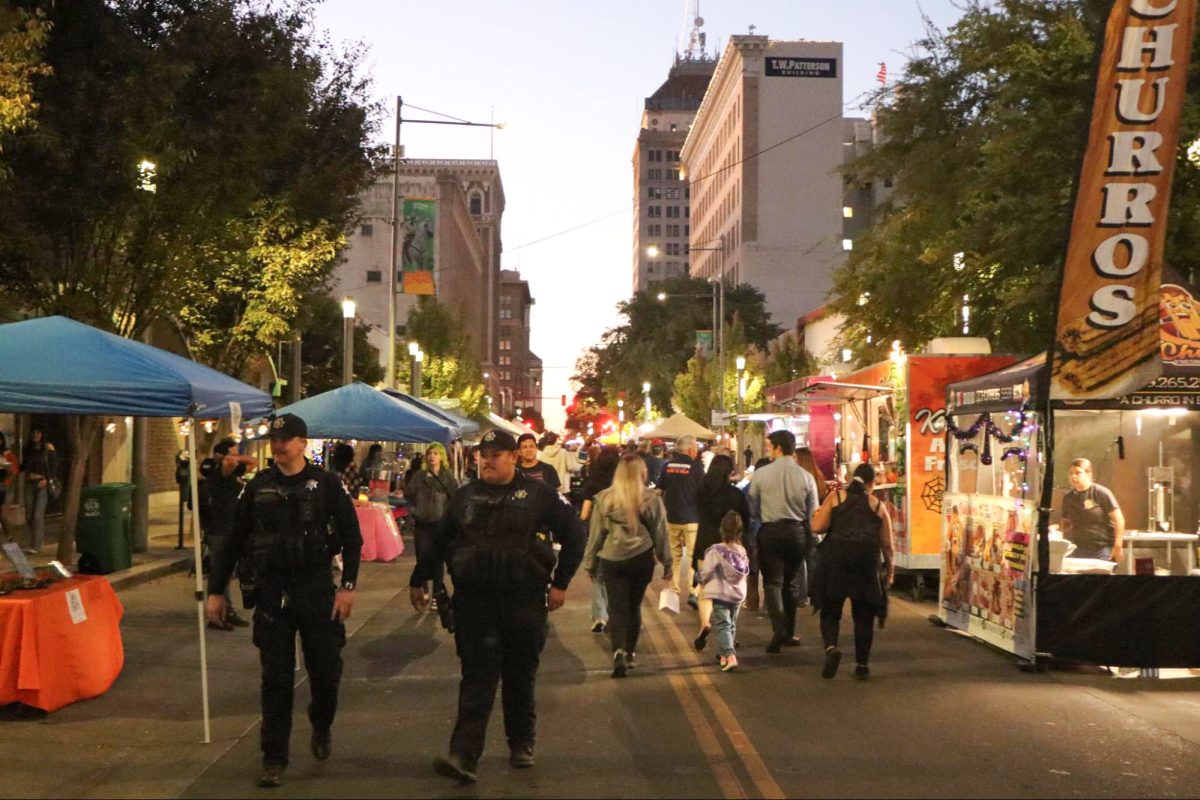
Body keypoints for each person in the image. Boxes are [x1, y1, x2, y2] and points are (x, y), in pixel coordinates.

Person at [410, 429, 585, 784]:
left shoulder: (540, 495)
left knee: (520, 675)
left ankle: (521, 743)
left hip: (522, 600)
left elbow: (575, 535)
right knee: (477, 677)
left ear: (514, 458)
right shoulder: (465, 497)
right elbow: (439, 540)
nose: (487, 460)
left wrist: (561, 583)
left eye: (495, 454)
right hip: (475, 603)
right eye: (483, 455)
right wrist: (419, 578)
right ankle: (464, 755)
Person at [205, 413, 362, 789]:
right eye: (275, 439)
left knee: (326, 672)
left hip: (316, 589)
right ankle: (274, 757)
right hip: (273, 591)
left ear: (302, 443)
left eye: (287, 439)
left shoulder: (326, 485)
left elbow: (352, 538)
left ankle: (321, 722)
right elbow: (231, 541)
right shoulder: (258, 487)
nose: (278, 445)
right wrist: (214, 590)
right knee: (274, 680)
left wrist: (348, 587)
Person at [582, 454, 672, 678]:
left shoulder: (604, 498)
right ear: (642, 473)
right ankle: (630, 653)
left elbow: (596, 535)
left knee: (616, 607)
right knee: (633, 607)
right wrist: (667, 562)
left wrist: (590, 563)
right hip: (641, 558)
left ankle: (618, 651)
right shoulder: (651, 498)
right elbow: (660, 532)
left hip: (612, 559)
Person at [809, 462, 894, 680]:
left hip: (835, 559)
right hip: (865, 563)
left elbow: (817, 527)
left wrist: (815, 515)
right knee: (864, 615)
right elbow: (887, 544)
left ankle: (831, 649)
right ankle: (862, 665)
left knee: (830, 610)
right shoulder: (877, 506)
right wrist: (890, 572)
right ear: (871, 484)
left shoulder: (836, 497)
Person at [748, 430, 819, 653]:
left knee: (772, 583)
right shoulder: (806, 477)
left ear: (778, 448)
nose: (768, 450)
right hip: (796, 532)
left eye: (770, 446)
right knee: (791, 584)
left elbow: (752, 505)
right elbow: (813, 512)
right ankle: (789, 631)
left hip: (770, 531)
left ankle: (778, 628)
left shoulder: (761, 475)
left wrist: (763, 519)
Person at [692, 454, 750, 652]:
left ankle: (705, 623)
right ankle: (728, 634)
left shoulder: (701, 491)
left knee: (705, 588)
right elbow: (746, 519)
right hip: (729, 544)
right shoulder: (735, 495)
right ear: (729, 471)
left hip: (705, 542)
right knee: (730, 590)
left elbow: (697, 511)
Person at [198, 438, 256, 631]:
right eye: (231, 453)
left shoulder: (232, 473)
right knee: (220, 572)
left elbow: (252, 461)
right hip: (219, 528)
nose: (235, 458)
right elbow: (231, 463)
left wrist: (235, 456)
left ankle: (226, 610)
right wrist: (228, 458)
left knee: (226, 572)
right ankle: (219, 614)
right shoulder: (220, 473)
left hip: (230, 527)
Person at [405, 442, 460, 631]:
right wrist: (414, 512)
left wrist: (449, 520)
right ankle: (424, 590)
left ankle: (438, 593)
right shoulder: (419, 477)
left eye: (436, 453)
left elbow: (456, 499)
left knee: (437, 560)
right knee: (422, 556)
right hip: (422, 524)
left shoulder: (447, 477)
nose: (432, 457)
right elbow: (409, 495)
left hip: (440, 524)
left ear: (441, 456)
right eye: (430, 453)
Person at [657, 434, 705, 608]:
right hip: (692, 518)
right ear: (691, 450)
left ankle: (674, 591)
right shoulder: (696, 467)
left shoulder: (667, 466)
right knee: (693, 557)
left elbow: (659, 491)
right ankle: (693, 592)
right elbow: (703, 490)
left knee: (675, 557)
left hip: (672, 518)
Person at [698, 511, 750, 671]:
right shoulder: (742, 551)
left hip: (721, 593)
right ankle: (723, 654)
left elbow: (706, 571)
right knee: (731, 624)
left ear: (722, 530)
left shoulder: (716, 550)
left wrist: (700, 579)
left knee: (722, 624)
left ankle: (730, 655)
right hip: (738, 594)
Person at [579, 447, 621, 633]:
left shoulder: (594, 482)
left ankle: (599, 617)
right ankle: (615, 614)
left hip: (598, 535)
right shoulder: (622, 483)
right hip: (620, 536)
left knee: (598, 576)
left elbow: (584, 513)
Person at [1060, 458, 1125, 561]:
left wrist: (1118, 546)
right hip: (1077, 548)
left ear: (1089, 474)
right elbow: (1066, 522)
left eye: (1078, 473)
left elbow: (1119, 519)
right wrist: (1059, 532)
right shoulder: (1068, 497)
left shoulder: (1101, 493)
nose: (1073, 476)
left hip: (1102, 548)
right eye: (1071, 473)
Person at [793, 447, 830, 604]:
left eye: (795, 458)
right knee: (813, 560)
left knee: (799, 562)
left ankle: (800, 596)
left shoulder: (800, 479)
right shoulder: (818, 479)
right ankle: (816, 595)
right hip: (816, 525)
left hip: (802, 524)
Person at [20, 428, 57, 555]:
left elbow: (54, 466)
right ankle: (37, 537)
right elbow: (24, 465)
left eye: (38, 433)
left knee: (37, 515)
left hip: (42, 483)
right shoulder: (27, 448)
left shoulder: (48, 448)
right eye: (33, 433)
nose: (35, 435)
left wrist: (46, 479)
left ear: (42, 434)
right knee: (29, 516)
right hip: (29, 483)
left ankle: (36, 545)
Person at [0, 432, 17, 542]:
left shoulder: (8, 455)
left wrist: (6, 468)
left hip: (3, 486)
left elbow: (14, 471)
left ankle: (9, 537)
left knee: (2, 514)